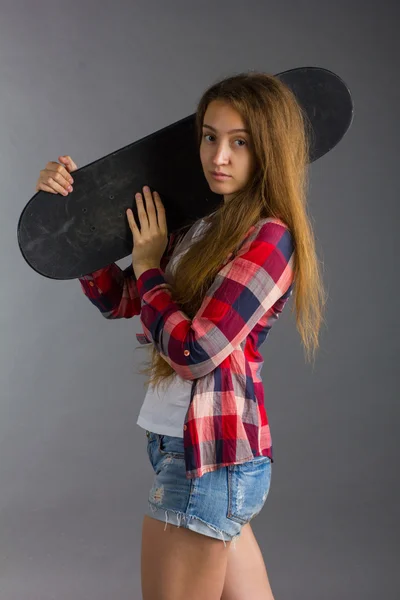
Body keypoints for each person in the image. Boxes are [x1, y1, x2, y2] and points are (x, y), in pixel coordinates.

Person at [35, 71, 326, 600]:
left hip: (211, 455)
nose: (219, 156)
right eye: (210, 136)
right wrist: (74, 215)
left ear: (269, 149)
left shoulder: (270, 236)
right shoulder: (201, 224)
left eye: (240, 143)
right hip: (185, 444)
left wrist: (147, 266)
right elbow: (122, 300)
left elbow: (195, 350)